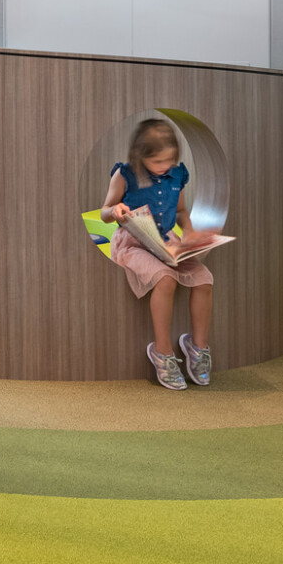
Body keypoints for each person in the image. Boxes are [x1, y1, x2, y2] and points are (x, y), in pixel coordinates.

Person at [98, 118, 215, 391]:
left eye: (169, 161)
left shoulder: (177, 174)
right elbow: (105, 210)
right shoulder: (125, 174)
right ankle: (163, 352)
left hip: (165, 240)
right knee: (165, 278)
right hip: (132, 240)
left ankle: (198, 347)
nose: (164, 167)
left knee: (204, 278)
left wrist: (191, 234)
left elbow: (182, 212)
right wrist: (114, 211)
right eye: (158, 162)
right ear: (141, 157)